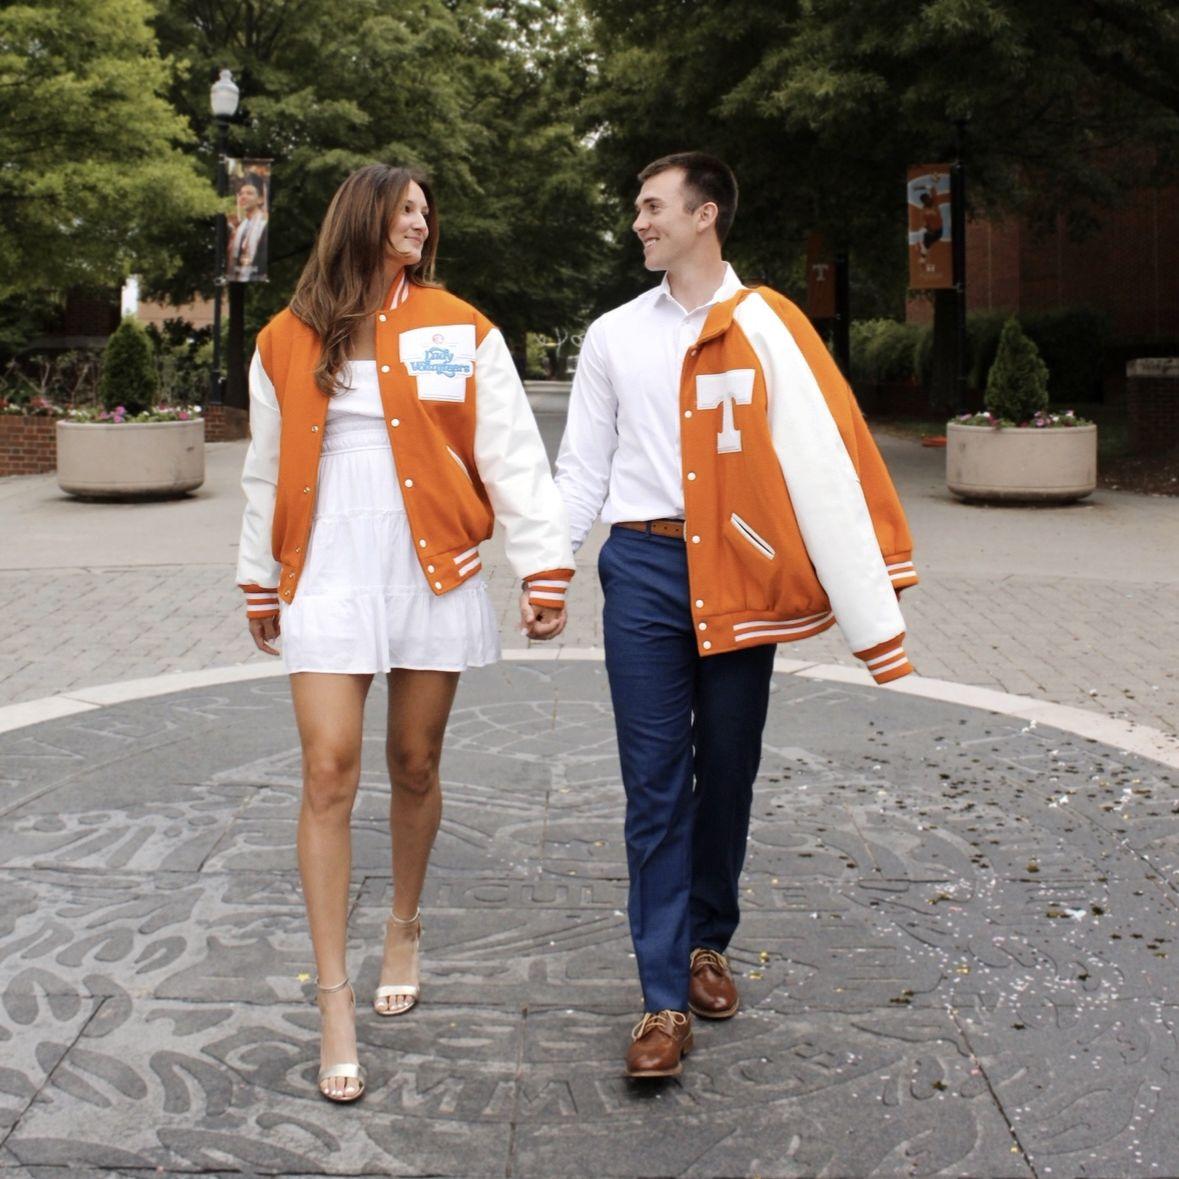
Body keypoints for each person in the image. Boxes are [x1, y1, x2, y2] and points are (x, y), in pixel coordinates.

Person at [554, 152, 918, 1078]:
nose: (638, 222)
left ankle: (707, 937)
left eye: (652, 207)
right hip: (639, 565)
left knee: (727, 763)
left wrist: (858, 573)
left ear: (704, 214)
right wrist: (547, 567)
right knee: (653, 781)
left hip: (739, 566)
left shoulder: (769, 327)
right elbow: (582, 473)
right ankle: (661, 999)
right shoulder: (611, 336)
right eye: (637, 209)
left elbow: (824, 447)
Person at [236, 163, 573, 1102]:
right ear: (365, 216)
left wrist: (542, 564)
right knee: (327, 767)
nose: (422, 221)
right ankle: (333, 999)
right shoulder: (284, 337)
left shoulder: (460, 328)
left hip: (432, 564)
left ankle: (405, 923)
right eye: (407, 208)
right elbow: (263, 472)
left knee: (414, 760)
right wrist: (257, 579)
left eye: (428, 211)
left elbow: (507, 450)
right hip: (324, 565)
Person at [228, 172, 269, 281]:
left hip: (254, 275)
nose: (243, 197)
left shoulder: (264, 225)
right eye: (241, 193)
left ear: (260, 199)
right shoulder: (241, 226)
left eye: (249, 193)